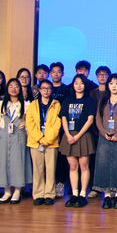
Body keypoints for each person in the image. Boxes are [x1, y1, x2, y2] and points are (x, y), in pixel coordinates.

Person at [93, 74, 117, 209]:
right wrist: (104, 133)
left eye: (116, 83)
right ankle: (106, 196)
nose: (114, 86)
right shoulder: (102, 101)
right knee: (103, 165)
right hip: (104, 138)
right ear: (108, 86)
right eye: (111, 83)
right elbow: (98, 119)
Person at [0, 78, 32, 204]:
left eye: (16, 86)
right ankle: (6, 191)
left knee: (18, 162)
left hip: (19, 135)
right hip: (3, 136)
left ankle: (17, 191)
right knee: (3, 162)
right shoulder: (0, 104)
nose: (14, 89)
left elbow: (28, 124)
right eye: (11, 86)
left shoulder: (26, 105)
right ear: (7, 89)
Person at [58, 74, 97, 208]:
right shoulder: (68, 99)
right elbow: (63, 118)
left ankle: (82, 194)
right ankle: (74, 194)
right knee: (73, 166)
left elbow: (90, 120)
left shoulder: (89, 100)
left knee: (84, 166)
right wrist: (68, 135)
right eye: (76, 83)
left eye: (81, 83)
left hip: (83, 135)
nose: (79, 86)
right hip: (69, 136)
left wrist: (78, 136)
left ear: (85, 85)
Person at [26, 79, 62, 205]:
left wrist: (47, 139)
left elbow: (57, 124)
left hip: (51, 142)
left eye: (48, 88)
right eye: (43, 88)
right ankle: (38, 194)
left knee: (51, 169)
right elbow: (30, 123)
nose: (46, 91)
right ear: (39, 90)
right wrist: (40, 138)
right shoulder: (33, 105)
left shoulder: (56, 104)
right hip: (35, 142)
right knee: (37, 170)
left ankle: (49, 194)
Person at [87, 65, 111, 199]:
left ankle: (109, 187)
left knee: (108, 161)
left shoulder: (112, 92)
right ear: (96, 76)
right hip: (94, 132)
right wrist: (96, 130)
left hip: (110, 132)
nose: (102, 77)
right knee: (94, 161)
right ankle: (95, 187)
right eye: (100, 74)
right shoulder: (91, 93)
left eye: (105, 74)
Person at [50, 61, 71, 197]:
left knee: (62, 157)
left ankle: (61, 183)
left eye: (59, 72)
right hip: (47, 128)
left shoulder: (67, 89)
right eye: (53, 72)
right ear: (50, 73)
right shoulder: (45, 88)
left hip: (63, 128)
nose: (56, 74)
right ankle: (49, 184)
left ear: (63, 73)